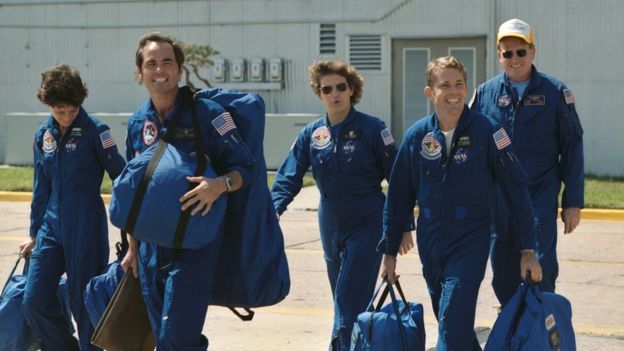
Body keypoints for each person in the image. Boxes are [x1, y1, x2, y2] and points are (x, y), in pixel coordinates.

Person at [380, 56, 542, 350]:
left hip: (470, 238)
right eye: (445, 85)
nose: (453, 92)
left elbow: (517, 191)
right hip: (431, 241)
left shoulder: (488, 132)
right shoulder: (418, 136)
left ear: (466, 88)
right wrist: (389, 251)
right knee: (454, 326)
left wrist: (529, 249)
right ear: (429, 92)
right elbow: (399, 195)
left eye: (459, 84)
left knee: (452, 326)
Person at [120, 32, 255, 350]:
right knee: (167, 338)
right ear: (140, 73)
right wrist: (131, 245)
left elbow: (245, 170)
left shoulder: (209, 114)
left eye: (167, 62)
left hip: (196, 244)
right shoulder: (138, 123)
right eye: (151, 63)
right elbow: (133, 191)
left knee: (175, 339)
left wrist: (218, 186)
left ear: (180, 70)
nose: (159, 70)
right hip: (151, 248)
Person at [271, 59, 414, 350]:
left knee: (348, 302)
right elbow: (288, 177)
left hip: (367, 222)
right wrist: (272, 211)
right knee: (345, 300)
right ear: (318, 93)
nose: (334, 93)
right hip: (329, 224)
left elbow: (399, 180)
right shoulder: (311, 134)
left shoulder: (374, 129)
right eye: (327, 89)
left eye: (341, 87)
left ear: (351, 90)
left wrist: (404, 226)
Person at [470, 18, 584, 306]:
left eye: (521, 52)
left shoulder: (555, 93)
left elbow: (571, 146)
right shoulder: (485, 95)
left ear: (533, 52)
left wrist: (573, 201)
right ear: (499, 55)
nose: (514, 59)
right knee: (503, 273)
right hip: (499, 200)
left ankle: (539, 334)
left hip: (539, 195)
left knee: (540, 270)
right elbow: (471, 146)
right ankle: (512, 329)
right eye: (507, 53)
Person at [19, 64, 126, 350]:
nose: (66, 117)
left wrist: (132, 227)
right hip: (50, 228)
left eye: (72, 109)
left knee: (84, 302)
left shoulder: (97, 131)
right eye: (59, 110)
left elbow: (122, 176)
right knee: (34, 300)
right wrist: (33, 233)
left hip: (86, 226)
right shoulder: (44, 136)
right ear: (48, 105)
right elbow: (41, 188)